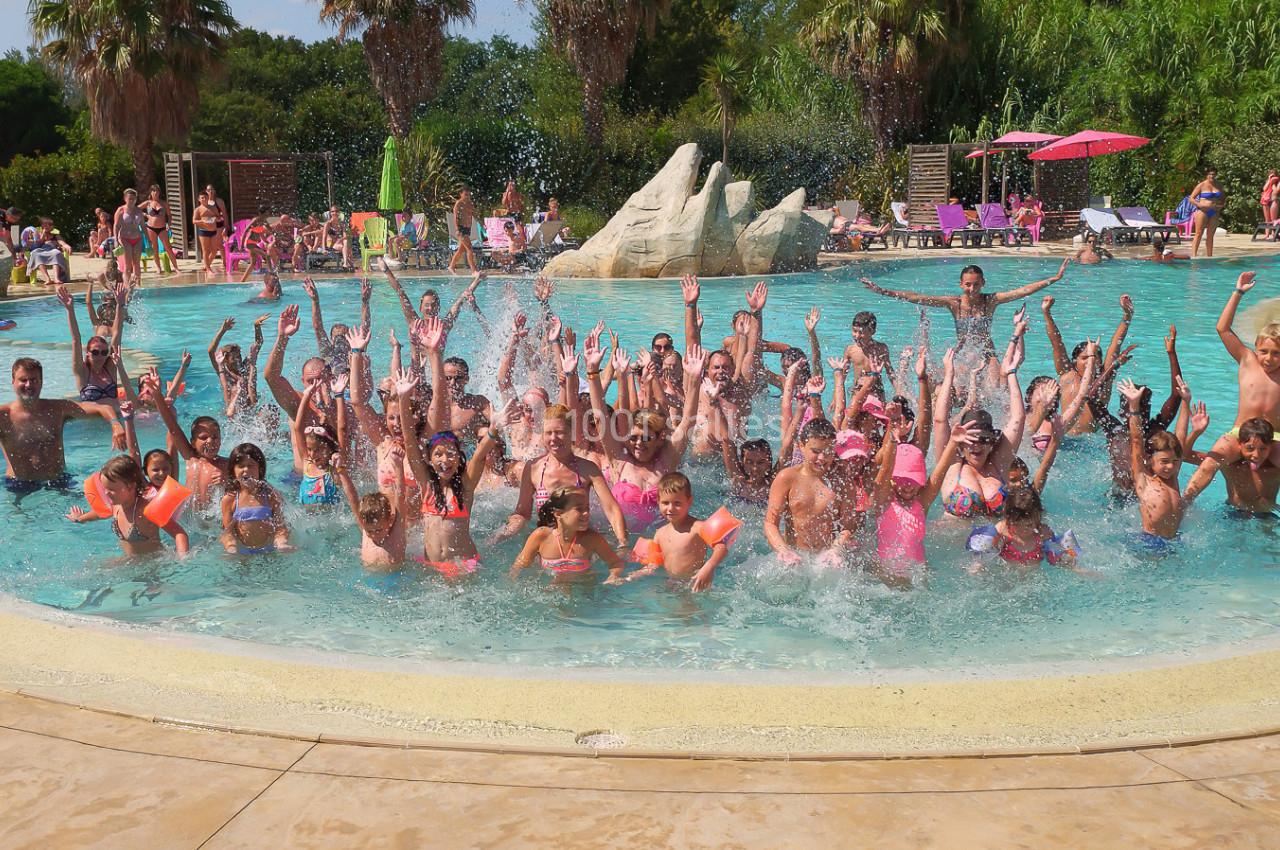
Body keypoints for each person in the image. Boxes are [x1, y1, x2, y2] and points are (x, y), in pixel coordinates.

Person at [861, 260, 1069, 380]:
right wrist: (884, 291)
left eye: (976, 284)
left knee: (997, 389)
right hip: (962, 353)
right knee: (955, 392)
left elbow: (1022, 291)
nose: (972, 289)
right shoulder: (954, 303)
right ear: (961, 284)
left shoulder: (991, 301)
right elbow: (917, 297)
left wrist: (1054, 279)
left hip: (988, 353)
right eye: (968, 285)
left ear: (983, 283)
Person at [493, 403, 629, 551]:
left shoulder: (587, 469)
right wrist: (504, 534)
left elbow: (611, 508)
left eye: (559, 432)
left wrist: (622, 543)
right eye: (548, 433)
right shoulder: (533, 469)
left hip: (581, 547)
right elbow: (522, 513)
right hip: (547, 547)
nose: (553, 438)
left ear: (571, 433)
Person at [1, 358, 126, 498]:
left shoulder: (57, 409)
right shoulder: (3, 416)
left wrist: (115, 424)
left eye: (34, 380)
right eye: (23, 380)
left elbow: (102, 408)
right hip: (19, 484)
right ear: (13, 382)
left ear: (41, 382)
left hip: (58, 480)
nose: (29, 384)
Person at [764, 417, 860, 566]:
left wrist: (836, 549)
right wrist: (784, 551)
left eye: (828, 452)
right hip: (795, 556)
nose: (822, 458)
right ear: (801, 446)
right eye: (816, 451)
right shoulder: (787, 478)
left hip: (827, 558)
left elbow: (849, 526)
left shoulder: (843, 483)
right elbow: (770, 523)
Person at [625, 472, 731, 591]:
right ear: (658, 501)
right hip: (671, 583)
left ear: (689, 502)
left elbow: (721, 547)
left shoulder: (697, 527)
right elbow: (652, 565)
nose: (670, 508)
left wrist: (709, 567)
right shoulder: (660, 533)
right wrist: (629, 578)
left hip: (694, 583)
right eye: (665, 503)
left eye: (677, 503)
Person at [67, 455, 189, 557]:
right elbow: (101, 514)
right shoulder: (116, 505)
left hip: (153, 565)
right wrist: (80, 518)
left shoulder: (146, 510)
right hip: (130, 561)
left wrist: (182, 559)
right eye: (105, 488)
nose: (105, 493)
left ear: (130, 486)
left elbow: (179, 533)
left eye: (111, 489)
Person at [1119, 379, 1186, 553]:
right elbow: (1136, 441)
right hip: (1149, 542)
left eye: (1174, 462)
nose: (1170, 467)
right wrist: (1134, 406)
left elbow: (1181, 437)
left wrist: (1186, 402)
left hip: (1174, 541)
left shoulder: (1173, 478)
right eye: (1164, 462)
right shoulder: (1143, 479)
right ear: (1150, 460)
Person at [509, 486, 625, 585]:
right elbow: (520, 564)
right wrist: (513, 582)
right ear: (559, 513)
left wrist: (613, 576)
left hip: (583, 589)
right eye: (579, 509)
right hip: (550, 589)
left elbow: (615, 562)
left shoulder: (592, 539)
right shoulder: (541, 536)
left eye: (587, 508)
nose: (587, 513)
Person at [220, 443, 292, 555]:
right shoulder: (230, 499)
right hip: (243, 552)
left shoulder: (271, 495)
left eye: (251, 465)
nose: (245, 470)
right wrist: (231, 547)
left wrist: (282, 543)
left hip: (270, 550)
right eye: (241, 466)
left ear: (260, 469)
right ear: (233, 471)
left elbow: (280, 527)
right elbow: (228, 532)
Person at [113, 188, 145, 286]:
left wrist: (148, 240)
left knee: (137, 264)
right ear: (125, 198)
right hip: (125, 238)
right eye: (130, 198)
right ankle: (126, 285)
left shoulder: (139, 210)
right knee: (128, 265)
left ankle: (138, 285)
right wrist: (116, 240)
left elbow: (143, 226)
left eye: (134, 199)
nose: (132, 201)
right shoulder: (121, 210)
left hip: (137, 238)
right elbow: (116, 225)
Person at [1190, 167, 1224, 257]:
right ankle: (1194, 255)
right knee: (1199, 233)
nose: (1212, 176)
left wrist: (1220, 206)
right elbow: (1191, 198)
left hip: (1214, 212)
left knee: (1210, 235)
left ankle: (1209, 255)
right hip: (1203, 211)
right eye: (1210, 174)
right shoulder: (1201, 185)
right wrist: (1199, 205)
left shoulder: (1219, 185)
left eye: (1213, 174)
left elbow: (1223, 198)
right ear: (1207, 175)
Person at [143, 185, 177, 273]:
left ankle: (176, 268)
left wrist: (169, 224)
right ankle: (158, 268)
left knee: (168, 248)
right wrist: (145, 215)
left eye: (157, 191)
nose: (156, 193)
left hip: (162, 228)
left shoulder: (164, 203)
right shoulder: (148, 203)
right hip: (151, 228)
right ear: (151, 192)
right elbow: (136, 209)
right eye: (154, 191)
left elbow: (169, 215)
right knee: (155, 248)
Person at [26, 217, 71, 284]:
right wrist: (43, 235)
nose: (47, 226)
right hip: (40, 251)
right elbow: (38, 244)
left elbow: (62, 242)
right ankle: (47, 279)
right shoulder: (36, 235)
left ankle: (56, 278)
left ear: (52, 227)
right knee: (35, 254)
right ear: (41, 226)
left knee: (57, 253)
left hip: (52, 251)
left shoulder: (55, 235)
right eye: (45, 224)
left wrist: (66, 245)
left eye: (50, 225)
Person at [448, 186, 478, 275]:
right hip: (461, 229)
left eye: (468, 195)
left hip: (467, 229)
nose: (467, 196)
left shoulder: (470, 204)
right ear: (461, 194)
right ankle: (473, 270)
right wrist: (457, 229)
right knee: (469, 249)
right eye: (465, 195)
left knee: (461, 250)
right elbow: (455, 217)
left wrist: (481, 223)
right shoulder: (459, 204)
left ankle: (451, 266)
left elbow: (474, 214)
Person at [192, 190, 223, 275]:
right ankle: (208, 269)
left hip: (213, 230)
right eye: (202, 198)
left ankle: (207, 266)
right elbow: (194, 221)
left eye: (205, 197)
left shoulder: (213, 207)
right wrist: (202, 221)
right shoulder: (198, 210)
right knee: (205, 250)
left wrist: (216, 219)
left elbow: (218, 217)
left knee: (214, 250)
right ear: (199, 199)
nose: (204, 199)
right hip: (204, 231)